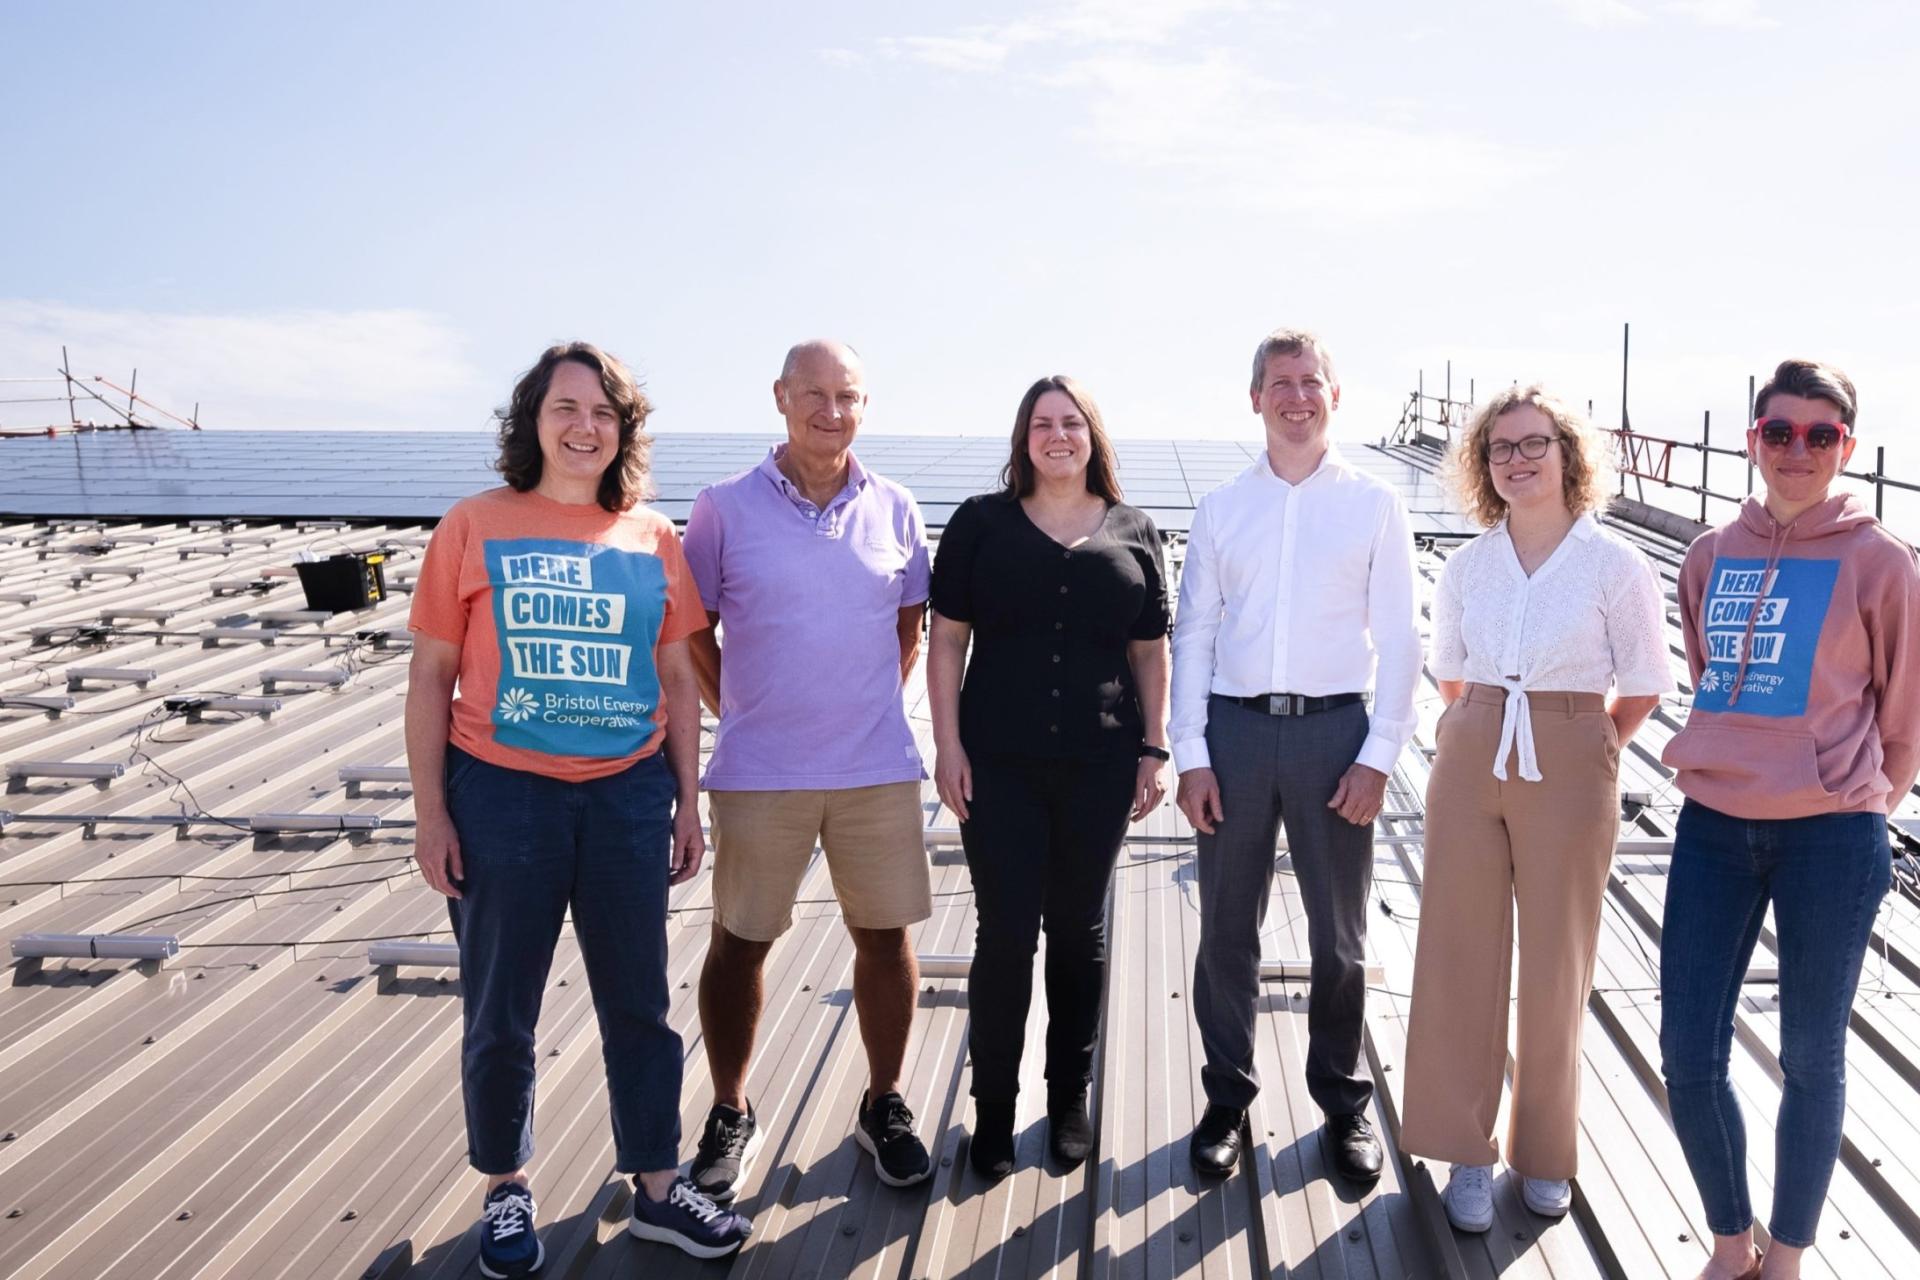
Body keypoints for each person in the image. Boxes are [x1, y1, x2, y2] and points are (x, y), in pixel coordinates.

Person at [406, 343, 751, 1278]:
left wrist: (685, 802)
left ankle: (656, 1187)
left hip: (626, 796)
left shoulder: (651, 537)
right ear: (533, 422)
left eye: (603, 413)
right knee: (500, 1008)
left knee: (638, 1003)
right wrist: (432, 815)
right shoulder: (473, 525)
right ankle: (507, 1190)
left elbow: (679, 676)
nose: (583, 426)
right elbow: (431, 676)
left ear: (622, 431)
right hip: (500, 793)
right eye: (565, 408)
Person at [1658, 360, 1920, 1280]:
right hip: (1712, 827)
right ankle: (1732, 1244)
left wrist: (1861, 809)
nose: (1797, 450)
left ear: (1845, 446)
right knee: (1688, 1050)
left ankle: (1789, 1259)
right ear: (1753, 440)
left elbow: (1905, 718)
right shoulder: (1708, 554)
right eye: (1780, 432)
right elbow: (1702, 671)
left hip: (1832, 837)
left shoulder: (1881, 560)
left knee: (1812, 1055)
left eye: (1820, 435)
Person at [1398, 386, 1670, 1232]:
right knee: (1459, 954)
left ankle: (1545, 1154)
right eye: (1501, 449)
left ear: (1568, 454)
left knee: (1558, 965)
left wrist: (1586, 744)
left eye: (1534, 444)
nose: (1518, 459)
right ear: (1485, 467)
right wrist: (1477, 727)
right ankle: (1465, 1155)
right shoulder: (1471, 564)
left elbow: (1648, 682)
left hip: (1572, 749)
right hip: (1477, 743)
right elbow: (1450, 668)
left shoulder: (1613, 563)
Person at [682, 339, 936, 1199]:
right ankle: (730, 1108)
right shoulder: (720, 510)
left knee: (886, 938)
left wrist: (863, 701)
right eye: (816, 394)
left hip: (875, 768)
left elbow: (909, 628)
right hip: (760, 773)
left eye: (850, 396)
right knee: (741, 942)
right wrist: (739, 711)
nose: (833, 411)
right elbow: (689, 630)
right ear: (781, 397)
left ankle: (884, 1103)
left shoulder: (898, 508)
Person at [1171, 328, 1422, 1183]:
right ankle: (1226, 1102)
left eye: (1311, 381)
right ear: (1255, 398)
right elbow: (1194, 635)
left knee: (1340, 939)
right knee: (1225, 934)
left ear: (1335, 395)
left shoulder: (1375, 505)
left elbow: (1399, 636)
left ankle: (1342, 1107)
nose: (1296, 396)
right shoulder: (1221, 509)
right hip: (1235, 735)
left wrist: (1379, 754)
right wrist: (1191, 754)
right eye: (1279, 382)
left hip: (1335, 737)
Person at [927, 375, 1171, 1180]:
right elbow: (946, 642)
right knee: (1003, 935)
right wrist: (949, 746)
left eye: (1071, 422)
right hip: (997, 764)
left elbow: (1149, 651)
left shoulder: (1135, 529)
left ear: (1093, 435)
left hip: (1102, 765)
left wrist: (1154, 746)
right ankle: (992, 1111)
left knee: (1078, 933)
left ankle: (1068, 1097)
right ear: (1022, 438)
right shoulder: (980, 524)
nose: (1057, 435)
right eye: (1041, 423)